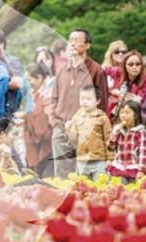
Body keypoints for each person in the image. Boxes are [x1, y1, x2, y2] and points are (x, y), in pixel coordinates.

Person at [50, 29, 109, 178]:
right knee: (61, 176)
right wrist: (55, 122)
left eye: (77, 40)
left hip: (86, 131)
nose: (73, 43)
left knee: (83, 176)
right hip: (61, 128)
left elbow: (102, 104)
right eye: (70, 40)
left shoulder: (97, 71)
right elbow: (54, 99)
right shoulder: (62, 70)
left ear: (87, 45)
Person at [65, 85, 112, 181]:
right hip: (82, 159)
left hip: (99, 159)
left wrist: (110, 159)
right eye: (82, 98)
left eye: (88, 99)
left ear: (97, 101)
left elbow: (109, 139)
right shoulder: (77, 116)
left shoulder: (102, 118)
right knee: (83, 186)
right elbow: (74, 140)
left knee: (100, 186)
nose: (84, 102)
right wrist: (69, 129)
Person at [106, 100, 146, 184]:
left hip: (133, 168)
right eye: (122, 113)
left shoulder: (140, 131)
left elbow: (143, 152)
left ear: (135, 115)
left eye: (127, 113)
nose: (123, 115)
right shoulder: (118, 129)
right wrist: (114, 134)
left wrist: (141, 170)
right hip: (119, 167)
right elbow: (110, 148)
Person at [23, 64, 53, 177]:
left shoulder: (47, 95)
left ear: (39, 78)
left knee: (42, 172)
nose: (28, 83)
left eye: (29, 79)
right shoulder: (34, 93)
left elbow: (48, 119)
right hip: (35, 136)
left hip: (43, 139)